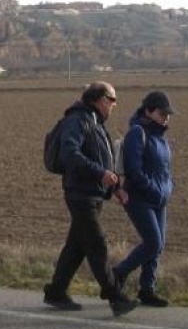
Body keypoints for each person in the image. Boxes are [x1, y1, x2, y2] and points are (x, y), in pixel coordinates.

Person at [43, 81, 138, 316]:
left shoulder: (95, 123)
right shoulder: (79, 120)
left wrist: (116, 187)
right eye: (112, 99)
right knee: (97, 245)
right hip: (80, 194)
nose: (115, 104)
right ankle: (115, 296)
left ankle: (56, 291)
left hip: (92, 194)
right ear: (99, 99)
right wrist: (99, 173)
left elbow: (105, 162)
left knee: (76, 247)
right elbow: (69, 153)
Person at [113, 91, 175, 307]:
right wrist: (154, 189)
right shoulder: (137, 133)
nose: (166, 117)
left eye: (168, 114)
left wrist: (168, 188)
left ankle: (147, 289)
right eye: (162, 113)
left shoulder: (162, 138)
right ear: (148, 111)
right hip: (139, 197)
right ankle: (118, 274)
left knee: (158, 245)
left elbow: (165, 170)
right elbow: (134, 170)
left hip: (160, 199)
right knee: (153, 242)